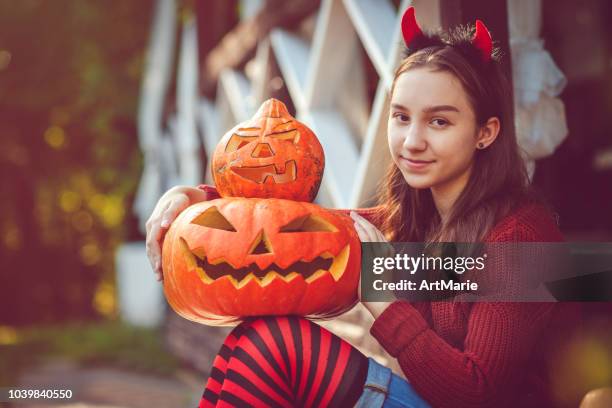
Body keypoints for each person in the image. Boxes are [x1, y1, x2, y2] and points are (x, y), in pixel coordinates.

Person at [146, 7, 577, 407]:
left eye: (439, 121)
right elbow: (290, 228)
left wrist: (385, 300)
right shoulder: (413, 220)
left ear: (486, 132)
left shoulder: (520, 235)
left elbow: (474, 392)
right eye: (401, 116)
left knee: (276, 345)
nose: (412, 142)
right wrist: (195, 198)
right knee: (253, 339)